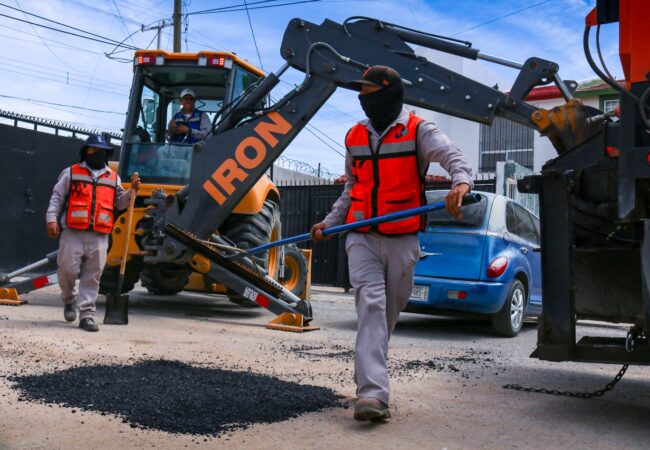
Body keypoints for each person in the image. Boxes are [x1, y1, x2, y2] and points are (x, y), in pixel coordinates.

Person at [310, 66, 473, 422]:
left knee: (386, 316)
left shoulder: (419, 130)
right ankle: (372, 394)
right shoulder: (355, 135)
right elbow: (352, 188)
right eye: (360, 92)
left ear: (389, 93)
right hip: (361, 235)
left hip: (402, 239)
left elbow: (453, 157)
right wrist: (331, 222)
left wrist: (460, 183)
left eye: (368, 91)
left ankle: (372, 376)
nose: (362, 98)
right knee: (371, 306)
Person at [46, 134, 140, 332]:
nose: (97, 153)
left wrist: (132, 192)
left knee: (93, 275)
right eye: (92, 149)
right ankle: (69, 300)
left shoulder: (113, 177)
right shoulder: (71, 172)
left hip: (99, 235)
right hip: (73, 232)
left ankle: (87, 315)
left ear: (107, 154)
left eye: (101, 150)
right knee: (66, 269)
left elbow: (120, 203)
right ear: (85, 152)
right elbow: (57, 198)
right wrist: (51, 219)